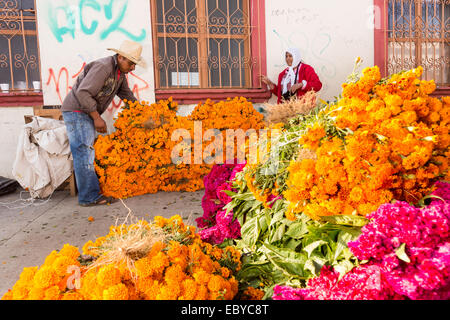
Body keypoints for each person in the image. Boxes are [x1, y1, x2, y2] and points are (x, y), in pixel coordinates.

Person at [61, 40, 146, 207]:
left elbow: (126, 94)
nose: (133, 68)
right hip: (77, 111)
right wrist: (96, 117)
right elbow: (83, 92)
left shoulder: (120, 73)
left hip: (85, 112)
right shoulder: (104, 67)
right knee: (84, 153)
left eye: (134, 64)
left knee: (86, 152)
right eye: (131, 63)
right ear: (120, 57)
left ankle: (89, 194)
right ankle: (88, 197)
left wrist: (141, 112)